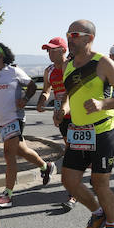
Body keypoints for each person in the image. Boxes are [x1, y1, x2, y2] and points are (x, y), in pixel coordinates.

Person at [56, 20, 114, 228]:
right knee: (69, 181)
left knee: (100, 183)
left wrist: (103, 104)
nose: (70, 38)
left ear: (89, 38)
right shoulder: (68, 66)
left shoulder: (104, 63)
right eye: (68, 33)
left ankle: (112, 225)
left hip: (102, 131)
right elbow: (70, 95)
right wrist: (63, 109)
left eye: (75, 34)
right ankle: (98, 212)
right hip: (78, 132)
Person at [0, 40, 54, 208]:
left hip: (15, 118)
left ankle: (8, 195)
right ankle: (45, 166)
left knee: (8, 153)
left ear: (0, 56)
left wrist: (25, 99)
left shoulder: (13, 71)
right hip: (0, 121)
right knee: (22, 150)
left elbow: (32, 86)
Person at [37, 36, 76, 209]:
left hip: (79, 115)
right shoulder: (49, 70)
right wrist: (42, 100)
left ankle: (73, 192)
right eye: (48, 50)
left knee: (75, 152)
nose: (49, 53)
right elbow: (47, 89)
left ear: (63, 50)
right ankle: (74, 186)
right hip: (63, 118)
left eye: (53, 50)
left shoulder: (73, 66)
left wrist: (62, 109)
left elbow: (70, 91)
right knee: (72, 151)